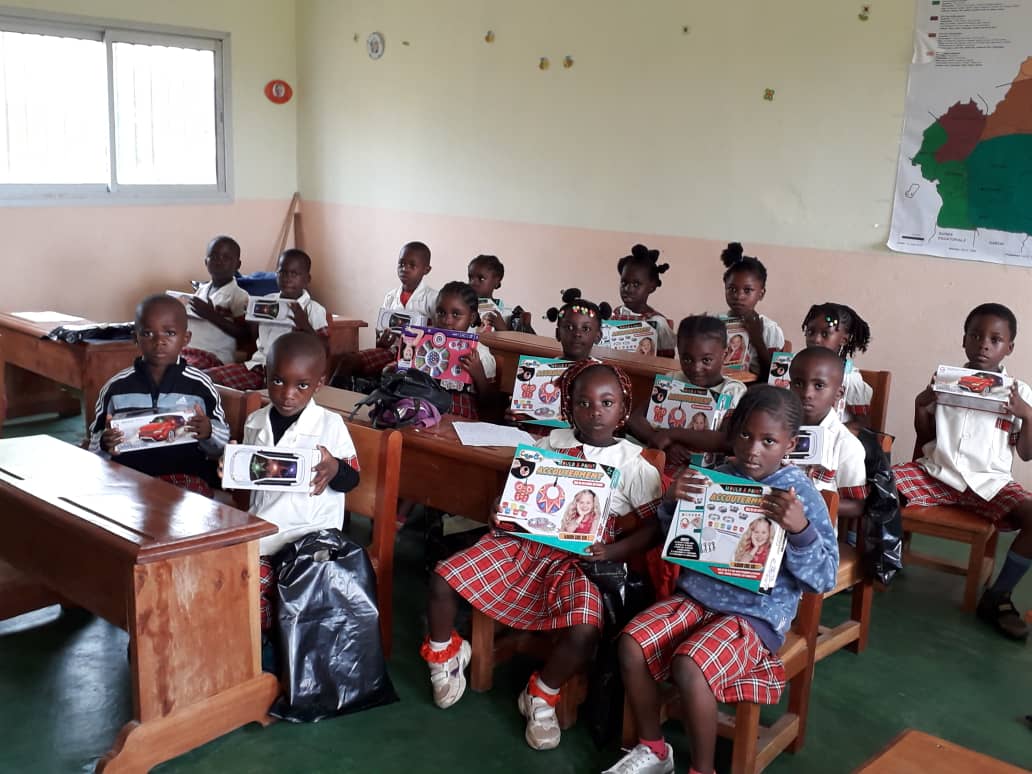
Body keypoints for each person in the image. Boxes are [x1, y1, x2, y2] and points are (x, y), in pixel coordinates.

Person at [421, 361, 663, 750]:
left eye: (606, 403)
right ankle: (444, 654)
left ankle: (541, 693)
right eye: (583, 402)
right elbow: (512, 497)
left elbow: (655, 528)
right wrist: (499, 509)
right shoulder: (548, 445)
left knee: (585, 628)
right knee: (443, 578)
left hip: (581, 561)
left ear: (622, 409)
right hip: (524, 547)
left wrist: (612, 551)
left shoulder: (634, 464)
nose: (595, 412)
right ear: (568, 406)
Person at [604, 386, 838, 774]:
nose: (752, 450)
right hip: (696, 598)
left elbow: (824, 577)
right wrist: (673, 503)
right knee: (631, 643)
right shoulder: (716, 477)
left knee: (690, 664)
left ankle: (703, 769)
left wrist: (800, 530)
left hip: (755, 616)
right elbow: (677, 541)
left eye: (768, 441)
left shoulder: (800, 495)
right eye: (745, 435)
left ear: (790, 444)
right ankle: (654, 749)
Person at [893, 303, 1032, 641]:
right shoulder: (947, 380)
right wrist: (921, 403)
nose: (984, 344)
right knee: (879, 485)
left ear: (1009, 347)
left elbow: (1026, 454)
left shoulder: (1019, 392)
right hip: (937, 474)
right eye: (975, 335)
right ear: (964, 340)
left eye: (995, 339)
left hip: (990, 483)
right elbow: (926, 436)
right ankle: (879, 560)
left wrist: (1027, 414)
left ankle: (998, 596)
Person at [227, 332, 360, 631]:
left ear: (319, 383)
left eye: (301, 385)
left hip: (309, 540)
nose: (288, 394)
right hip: (264, 534)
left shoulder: (330, 425)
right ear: (266, 374)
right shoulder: (255, 422)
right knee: (232, 583)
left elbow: (352, 479)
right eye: (278, 381)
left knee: (272, 594)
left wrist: (334, 468)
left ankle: (275, 644)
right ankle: (263, 643)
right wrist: (230, 468)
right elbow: (247, 485)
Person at [89, 294, 229, 496]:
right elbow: (94, 447)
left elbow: (222, 446)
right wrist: (104, 443)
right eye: (147, 333)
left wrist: (209, 432)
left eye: (170, 333)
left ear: (186, 339)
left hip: (186, 479)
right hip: (129, 479)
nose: (159, 341)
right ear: (135, 338)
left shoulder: (200, 386)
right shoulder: (116, 387)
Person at [627, 315, 747, 470]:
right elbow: (635, 419)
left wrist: (672, 434)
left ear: (725, 355)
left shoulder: (733, 391)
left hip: (707, 472)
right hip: (663, 462)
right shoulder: (672, 380)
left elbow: (726, 440)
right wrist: (663, 443)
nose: (696, 368)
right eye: (687, 359)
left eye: (706, 360)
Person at [206, 249, 328, 391]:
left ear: (307, 279)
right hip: (258, 367)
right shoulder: (267, 301)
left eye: (294, 274)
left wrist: (304, 325)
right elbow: (256, 340)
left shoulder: (313, 309)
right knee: (205, 378)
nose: (287, 278)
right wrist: (252, 319)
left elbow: (324, 350)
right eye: (282, 272)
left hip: (289, 373)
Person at [334, 241, 436, 384]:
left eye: (412, 265)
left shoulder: (433, 299)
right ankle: (333, 395)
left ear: (426, 270)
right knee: (347, 361)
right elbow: (380, 332)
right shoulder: (391, 297)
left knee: (389, 373)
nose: (404, 269)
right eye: (401, 264)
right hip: (390, 351)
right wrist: (380, 341)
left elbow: (438, 336)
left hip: (416, 357)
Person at [788, 347, 868, 521]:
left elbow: (857, 505)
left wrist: (808, 503)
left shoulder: (846, 444)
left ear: (838, 394)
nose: (807, 394)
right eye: (798, 384)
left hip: (814, 531)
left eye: (819, 386)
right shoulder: (777, 430)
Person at [425, 281, 497, 419]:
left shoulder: (480, 353)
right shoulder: (427, 343)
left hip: (460, 416)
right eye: (441, 313)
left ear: (472, 318)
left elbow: (490, 404)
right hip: (425, 407)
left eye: (456, 314)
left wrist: (479, 374)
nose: (447, 321)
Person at [179, 235, 251, 370]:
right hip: (188, 350)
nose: (219, 261)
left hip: (214, 356)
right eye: (214, 256)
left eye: (226, 257)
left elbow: (245, 335)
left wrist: (212, 315)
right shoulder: (201, 290)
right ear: (206, 262)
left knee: (182, 371)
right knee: (154, 363)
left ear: (237, 265)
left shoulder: (239, 296)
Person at [801, 302, 873, 427]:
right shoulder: (795, 367)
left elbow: (862, 424)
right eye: (811, 332)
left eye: (825, 334)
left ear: (843, 340)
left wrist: (840, 431)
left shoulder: (849, 378)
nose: (816, 339)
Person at [721, 242, 784, 378]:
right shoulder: (716, 324)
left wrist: (757, 338)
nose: (739, 296)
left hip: (756, 388)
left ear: (761, 294)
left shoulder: (770, 330)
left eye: (747, 290)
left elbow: (774, 377)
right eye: (732, 289)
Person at [611, 243, 676, 357]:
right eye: (624, 282)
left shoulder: (658, 323)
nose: (628, 289)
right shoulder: (615, 314)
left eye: (636, 284)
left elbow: (667, 360)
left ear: (652, 287)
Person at [545, 289, 613, 361]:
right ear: (558, 333)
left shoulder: (603, 368)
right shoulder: (545, 367)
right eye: (569, 327)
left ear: (598, 336)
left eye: (586, 329)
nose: (577, 334)